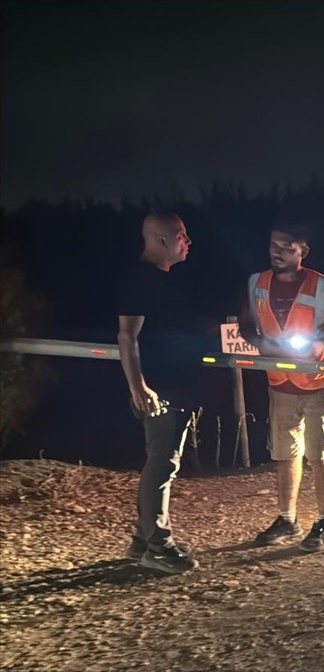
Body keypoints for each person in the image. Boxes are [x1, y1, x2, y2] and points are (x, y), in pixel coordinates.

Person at [239, 223, 324, 552]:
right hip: (281, 381)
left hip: (320, 381)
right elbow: (247, 323)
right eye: (273, 245)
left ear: (303, 251)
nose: (277, 252)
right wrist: (260, 343)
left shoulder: (322, 285)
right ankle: (287, 519)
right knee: (285, 454)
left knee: (320, 453)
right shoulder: (256, 283)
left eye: (286, 247)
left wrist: (322, 344)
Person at [116, 211, 201, 574]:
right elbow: (127, 336)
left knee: (163, 462)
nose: (188, 241)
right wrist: (139, 387)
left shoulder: (162, 280)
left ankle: (141, 541)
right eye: (181, 235)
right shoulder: (139, 279)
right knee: (161, 465)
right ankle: (157, 546)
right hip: (160, 388)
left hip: (175, 385)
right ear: (161, 239)